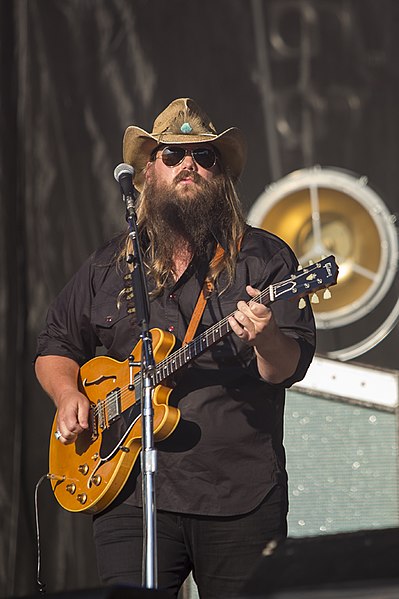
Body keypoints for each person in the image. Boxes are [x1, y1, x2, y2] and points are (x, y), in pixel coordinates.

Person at [35, 98, 316, 598]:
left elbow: (286, 367)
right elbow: (55, 343)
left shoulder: (263, 258)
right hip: (128, 493)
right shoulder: (111, 265)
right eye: (173, 154)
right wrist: (66, 395)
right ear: (149, 171)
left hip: (238, 495)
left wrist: (266, 337)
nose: (190, 164)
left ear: (221, 175)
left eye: (204, 156)